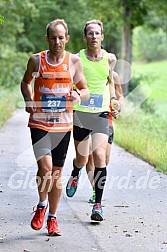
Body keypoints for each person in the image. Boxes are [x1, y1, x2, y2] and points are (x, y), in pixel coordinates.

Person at [21, 19, 89, 236]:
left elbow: (84, 90)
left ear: (67, 39)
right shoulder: (36, 61)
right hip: (39, 123)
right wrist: (29, 100)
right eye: (53, 38)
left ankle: (52, 218)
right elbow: (25, 82)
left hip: (63, 126)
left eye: (61, 38)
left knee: (57, 175)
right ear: (47, 39)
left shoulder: (74, 62)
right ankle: (41, 206)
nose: (57, 41)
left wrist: (78, 95)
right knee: (46, 168)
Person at [66, 19, 120, 222]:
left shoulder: (110, 59)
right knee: (82, 158)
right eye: (90, 33)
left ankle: (98, 204)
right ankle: (76, 170)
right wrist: (74, 95)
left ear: (102, 37)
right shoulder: (76, 59)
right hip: (81, 113)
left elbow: (110, 83)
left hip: (100, 114)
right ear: (85, 37)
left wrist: (114, 100)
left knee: (99, 156)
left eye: (97, 33)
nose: (94, 36)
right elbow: (69, 84)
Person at [87, 71, 124, 204]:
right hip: (86, 118)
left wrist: (118, 109)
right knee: (91, 156)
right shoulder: (85, 72)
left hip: (106, 120)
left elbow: (120, 97)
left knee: (103, 159)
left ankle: (77, 164)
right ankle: (95, 191)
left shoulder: (113, 76)